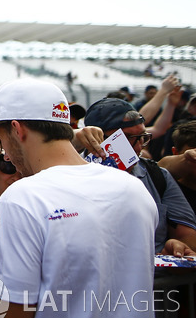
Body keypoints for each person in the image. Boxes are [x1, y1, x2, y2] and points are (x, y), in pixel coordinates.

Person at [0, 78, 158, 318]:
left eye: (1, 142)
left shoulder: (23, 197)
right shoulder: (135, 190)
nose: (6, 156)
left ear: (17, 129)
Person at [84, 97, 196, 252]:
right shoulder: (71, 175)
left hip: (155, 273)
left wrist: (176, 248)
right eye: (128, 138)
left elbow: (188, 236)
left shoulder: (158, 176)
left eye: (143, 137)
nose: (138, 147)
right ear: (95, 139)